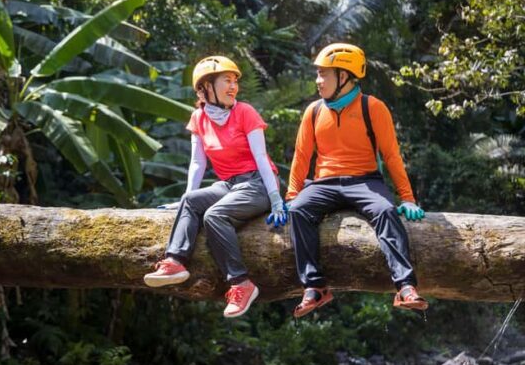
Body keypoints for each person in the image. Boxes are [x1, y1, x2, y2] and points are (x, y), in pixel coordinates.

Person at [285, 43, 428, 318]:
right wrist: (291, 196)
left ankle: (406, 286)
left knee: (386, 211)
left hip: (364, 181)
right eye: (318, 74)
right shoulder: (313, 111)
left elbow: (392, 155)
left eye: (323, 74)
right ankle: (314, 287)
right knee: (300, 211)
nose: (318, 81)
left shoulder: (372, 107)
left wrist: (407, 197)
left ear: (344, 76)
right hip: (323, 183)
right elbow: (301, 157)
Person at [143, 56, 287, 318]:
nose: (233, 86)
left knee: (215, 215)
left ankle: (241, 283)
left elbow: (262, 159)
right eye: (226, 81)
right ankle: (175, 262)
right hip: (230, 185)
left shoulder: (245, 112)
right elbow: (197, 163)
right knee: (190, 201)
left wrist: (275, 197)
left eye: (235, 81)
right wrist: (186, 195)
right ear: (204, 88)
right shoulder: (199, 117)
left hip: (258, 184)